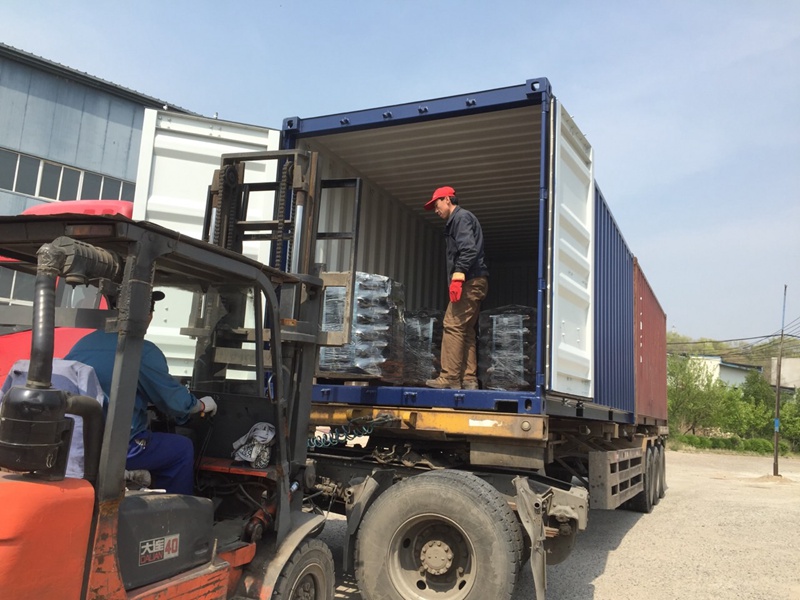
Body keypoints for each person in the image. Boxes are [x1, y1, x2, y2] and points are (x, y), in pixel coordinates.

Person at [66, 291, 216, 494]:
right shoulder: (141, 351)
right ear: (148, 316)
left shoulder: (83, 343)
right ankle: (174, 511)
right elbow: (174, 402)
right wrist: (202, 405)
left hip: (78, 442)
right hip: (120, 448)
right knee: (182, 448)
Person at [423, 186, 489, 390]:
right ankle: (468, 379)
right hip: (476, 280)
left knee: (452, 325)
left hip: (470, 281)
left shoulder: (460, 218)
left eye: (436, 205)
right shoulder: (460, 219)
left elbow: (468, 250)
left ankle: (449, 378)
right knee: (466, 330)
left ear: (447, 199)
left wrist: (458, 276)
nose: (436, 210)